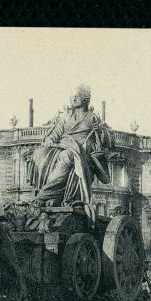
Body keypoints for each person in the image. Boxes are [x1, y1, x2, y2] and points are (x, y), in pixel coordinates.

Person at [27, 85, 114, 218]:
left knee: (66, 156)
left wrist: (100, 131)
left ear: (85, 99)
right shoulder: (66, 117)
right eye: (71, 96)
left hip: (81, 153)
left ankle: (44, 195)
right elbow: (56, 133)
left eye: (76, 95)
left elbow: (108, 141)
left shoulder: (92, 118)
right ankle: (51, 196)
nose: (73, 98)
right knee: (39, 153)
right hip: (62, 146)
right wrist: (50, 139)